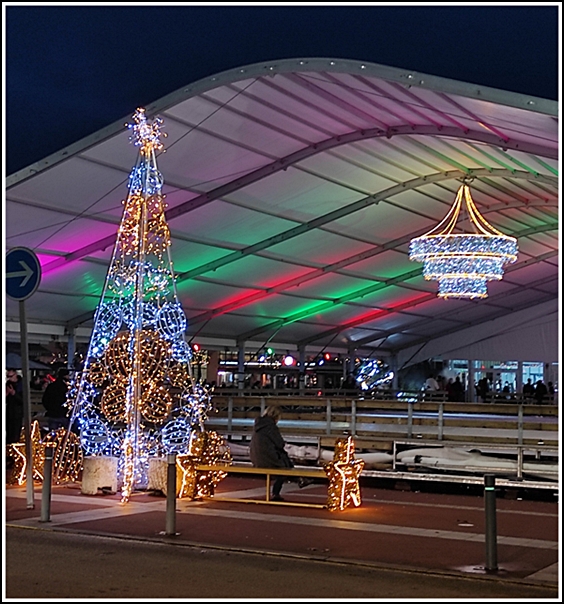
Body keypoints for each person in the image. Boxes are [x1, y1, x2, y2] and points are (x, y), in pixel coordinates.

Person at [250, 406, 311, 501]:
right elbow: (279, 443)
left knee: (283, 459)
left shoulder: (258, 426)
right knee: (283, 467)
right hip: (267, 458)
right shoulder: (271, 427)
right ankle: (280, 491)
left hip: (256, 457)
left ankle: (299, 479)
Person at [6, 380, 24, 444]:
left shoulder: (21, 385)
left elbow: (22, 401)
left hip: (17, 413)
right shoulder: (7, 384)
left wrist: (14, 393)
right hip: (8, 413)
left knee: (15, 433)